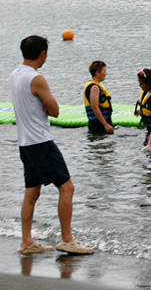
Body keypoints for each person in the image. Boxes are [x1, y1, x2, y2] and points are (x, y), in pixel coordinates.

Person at [10, 35, 93, 255]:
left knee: (32, 192)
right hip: (40, 142)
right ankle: (66, 239)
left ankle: (26, 241)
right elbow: (55, 110)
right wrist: (48, 108)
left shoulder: (15, 74)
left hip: (25, 143)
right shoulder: (37, 78)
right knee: (67, 187)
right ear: (42, 54)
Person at [84, 60, 114, 134]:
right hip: (98, 125)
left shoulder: (98, 85)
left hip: (102, 123)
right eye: (104, 71)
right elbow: (94, 107)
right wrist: (105, 124)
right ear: (97, 73)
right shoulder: (94, 87)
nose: (105, 74)